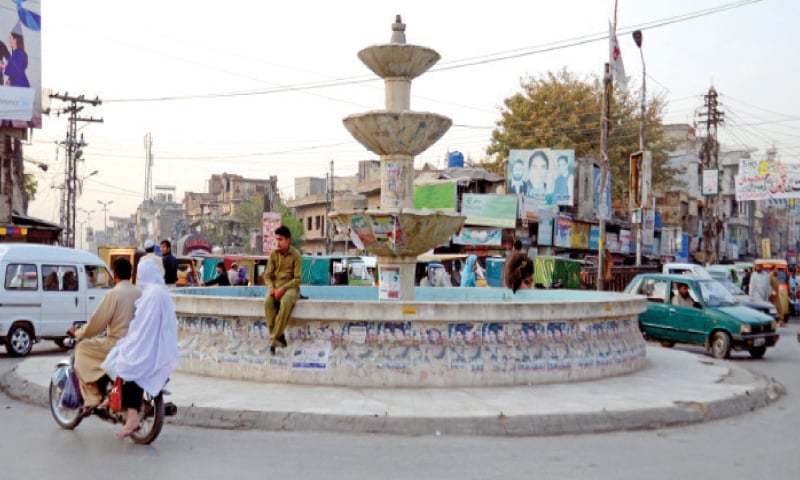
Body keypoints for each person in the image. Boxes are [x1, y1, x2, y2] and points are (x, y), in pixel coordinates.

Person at [102, 258, 179, 438]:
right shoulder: (160, 292)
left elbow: (143, 326)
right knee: (120, 355)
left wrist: (131, 341)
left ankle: (132, 417)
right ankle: (113, 399)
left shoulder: (152, 295)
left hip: (148, 346)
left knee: (123, 362)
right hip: (160, 346)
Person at [68, 259, 141, 409]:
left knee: (82, 348)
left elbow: (96, 323)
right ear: (131, 274)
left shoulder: (114, 294)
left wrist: (79, 333)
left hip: (116, 344)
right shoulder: (139, 293)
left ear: (114, 275)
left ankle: (93, 396)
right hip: (136, 345)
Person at [263, 225, 302, 354]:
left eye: (280, 239)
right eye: (277, 240)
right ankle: (279, 336)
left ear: (288, 240)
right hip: (276, 287)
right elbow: (267, 276)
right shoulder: (274, 255)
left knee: (285, 303)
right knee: (268, 303)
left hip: (291, 288)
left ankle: (273, 341)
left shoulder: (296, 255)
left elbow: (297, 279)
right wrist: (271, 288)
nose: (277, 243)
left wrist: (283, 289)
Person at [1, 23, 29, 87]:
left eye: (10, 38)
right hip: (16, 84)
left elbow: (16, 69)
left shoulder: (20, 53)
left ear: (15, 40)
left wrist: (4, 66)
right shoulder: (15, 53)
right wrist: (9, 79)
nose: (9, 40)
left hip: (20, 84)